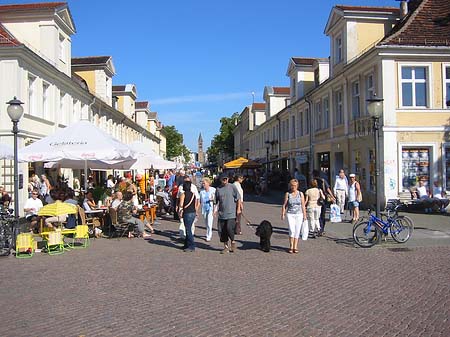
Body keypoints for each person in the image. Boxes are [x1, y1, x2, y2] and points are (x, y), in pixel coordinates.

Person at [215, 174, 241, 254]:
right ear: (220, 180)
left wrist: (239, 209)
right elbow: (216, 201)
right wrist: (214, 210)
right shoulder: (218, 189)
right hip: (222, 213)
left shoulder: (232, 187)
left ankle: (233, 241)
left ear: (228, 179)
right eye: (223, 179)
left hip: (231, 213)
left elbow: (238, 197)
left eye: (226, 179)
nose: (225, 180)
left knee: (229, 228)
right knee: (222, 231)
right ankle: (225, 247)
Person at [281, 179, 307, 253]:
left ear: (297, 186)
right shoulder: (288, 194)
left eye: (295, 185)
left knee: (297, 230)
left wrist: (305, 216)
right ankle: (291, 246)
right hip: (290, 214)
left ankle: (295, 246)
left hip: (299, 214)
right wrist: (283, 213)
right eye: (292, 185)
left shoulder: (300, 194)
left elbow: (303, 205)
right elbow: (284, 205)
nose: (293, 187)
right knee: (292, 230)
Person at [178, 179, 200, 252]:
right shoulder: (193, 194)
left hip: (187, 212)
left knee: (188, 229)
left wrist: (180, 209)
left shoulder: (183, 194)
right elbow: (196, 203)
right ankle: (186, 244)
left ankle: (191, 245)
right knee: (189, 228)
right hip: (192, 212)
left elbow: (181, 204)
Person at [312, 170, 335, 235]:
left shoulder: (313, 181)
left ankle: (318, 228)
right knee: (322, 214)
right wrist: (332, 196)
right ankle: (321, 229)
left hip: (315, 199)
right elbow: (328, 189)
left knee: (316, 215)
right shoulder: (323, 180)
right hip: (323, 199)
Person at [200, 177, 216, 242]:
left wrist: (215, 210)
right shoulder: (202, 192)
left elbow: (216, 200)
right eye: (202, 183)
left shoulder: (213, 190)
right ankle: (208, 232)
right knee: (206, 223)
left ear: (208, 183)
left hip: (211, 208)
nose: (203, 184)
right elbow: (200, 201)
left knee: (209, 222)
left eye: (204, 183)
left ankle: (209, 235)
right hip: (204, 208)